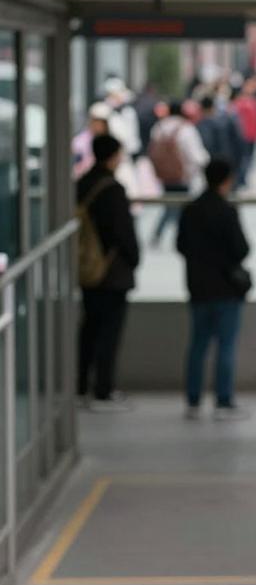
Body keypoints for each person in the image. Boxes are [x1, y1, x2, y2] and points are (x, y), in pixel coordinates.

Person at [176, 158, 251, 421]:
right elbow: (241, 249)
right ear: (226, 180)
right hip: (226, 288)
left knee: (198, 345)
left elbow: (181, 245)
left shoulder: (191, 209)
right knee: (226, 346)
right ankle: (223, 400)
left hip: (198, 286)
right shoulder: (227, 211)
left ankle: (193, 400)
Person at [76, 133, 140, 412]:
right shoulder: (112, 190)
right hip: (112, 272)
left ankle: (80, 386)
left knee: (89, 328)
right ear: (113, 156)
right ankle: (103, 388)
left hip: (87, 268)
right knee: (109, 332)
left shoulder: (81, 185)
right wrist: (134, 259)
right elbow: (123, 233)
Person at [148, 100, 209, 246]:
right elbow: (197, 155)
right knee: (181, 207)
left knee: (170, 205)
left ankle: (161, 234)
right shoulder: (186, 129)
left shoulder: (159, 127)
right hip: (183, 175)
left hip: (164, 175)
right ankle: (182, 236)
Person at [196, 94, 245, 183]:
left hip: (210, 165)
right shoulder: (227, 120)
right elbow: (239, 141)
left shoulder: (199, 125)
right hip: (227, 162)